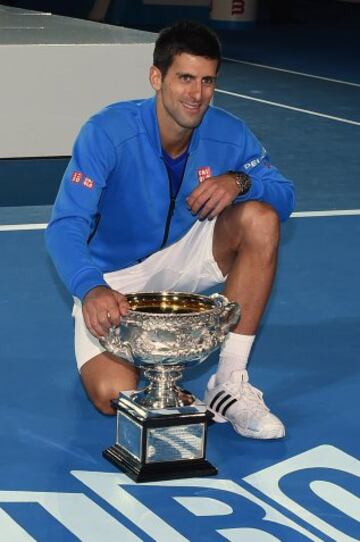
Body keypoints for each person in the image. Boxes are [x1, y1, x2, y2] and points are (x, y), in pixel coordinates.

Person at [46, 20, 295, 439]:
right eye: (184, 78)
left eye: (207, 81)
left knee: (260, 217)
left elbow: (285, 196)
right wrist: (90, 287)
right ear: (156, 77)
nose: (197, 95)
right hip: (116, 277)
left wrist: (240, 182)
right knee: (112, 396)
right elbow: (65, 225)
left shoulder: (228, 133)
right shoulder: (108, 132)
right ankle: (154, 374)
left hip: (188, 254)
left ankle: (229, 383)